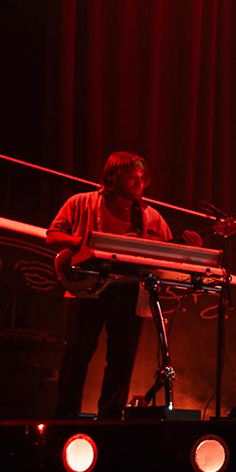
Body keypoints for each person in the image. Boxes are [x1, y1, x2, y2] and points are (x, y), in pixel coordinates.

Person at [47, 151, 174, 418]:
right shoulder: (80, 202)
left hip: (130, 291)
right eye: (133, 176)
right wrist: (82, 244)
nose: (139, 182)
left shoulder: (152, 217)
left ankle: (110, 419)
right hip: (88, 289)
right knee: (77, 355)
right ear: (114, 175)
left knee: (121, 361)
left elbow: (166, 254)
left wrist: (188, 247)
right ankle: (64, 418)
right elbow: (53, 236)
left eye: (142, 177)